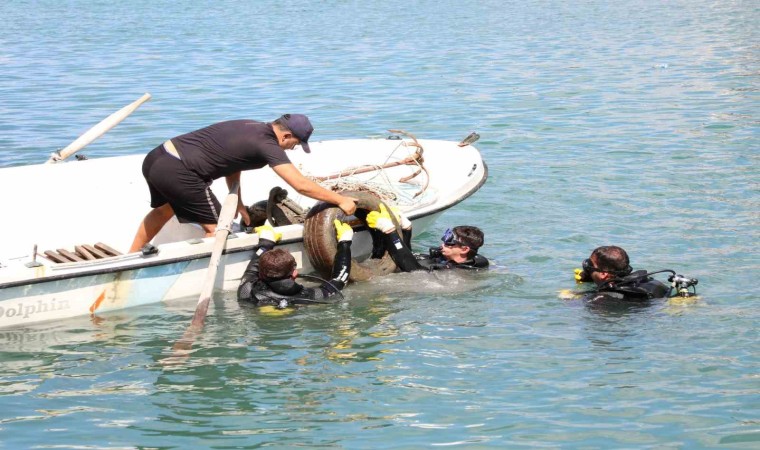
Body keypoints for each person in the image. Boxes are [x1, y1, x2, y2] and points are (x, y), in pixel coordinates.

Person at [129, 114, 357, 252]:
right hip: (181, 171)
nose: (293, 149)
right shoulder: (267, 144)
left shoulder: (252, 126)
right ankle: (198, 272)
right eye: (295, 144)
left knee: (164, 210)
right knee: (218, 229)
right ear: (286, 137)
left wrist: (237, 199)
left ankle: (131, 254)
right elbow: (300, 185)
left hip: (157, 158)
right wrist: (340, 200)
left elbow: (233, 161)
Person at [237, 221, 353, 308]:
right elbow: (339, 280)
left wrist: (266, 243)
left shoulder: (246, 290)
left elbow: (252, 268)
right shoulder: (307, 296)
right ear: (295, 273)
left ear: (261, 274)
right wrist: (345, 242)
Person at [365, 204, 489, 272]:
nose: (442, 245)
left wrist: (390, 232)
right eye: (444, 241)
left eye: (449, 244)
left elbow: (412, 269)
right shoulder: (443, 257)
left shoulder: (452, 271)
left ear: (464, 249)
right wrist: (407, 229)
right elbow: (409, 256)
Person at [573, 245, 671, 302]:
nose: (587, 267)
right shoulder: (649, 282)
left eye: (590, 264)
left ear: (603, 274)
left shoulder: (600, 298)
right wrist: (591, 279)